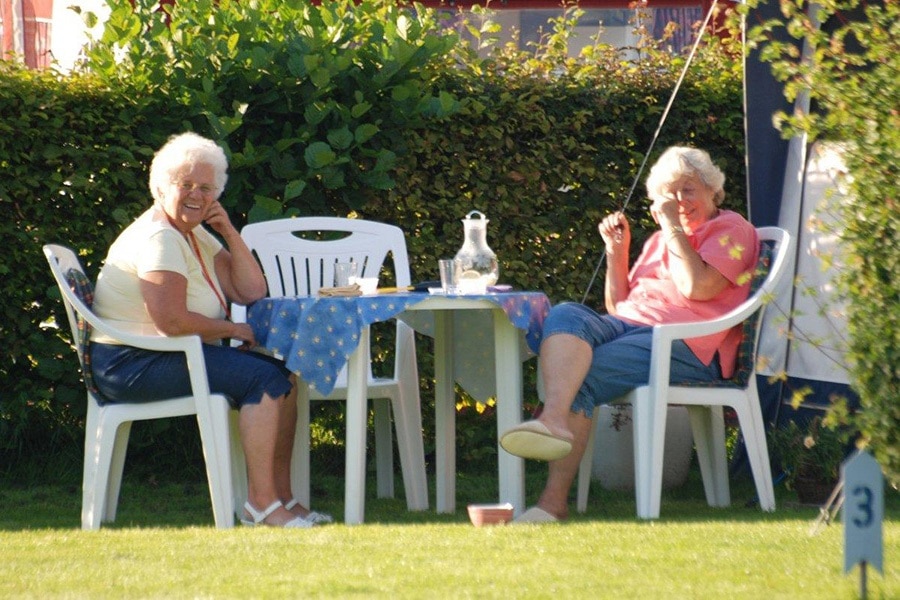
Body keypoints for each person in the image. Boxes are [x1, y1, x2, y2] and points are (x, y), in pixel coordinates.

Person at [499, 146, 759, 522]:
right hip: (633, 328)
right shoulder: (658, 241)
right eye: (670, 193)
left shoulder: (731, 229)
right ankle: (554, 418)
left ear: (712, 191)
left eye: (690, 189)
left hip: (689, 344)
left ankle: (552, 502)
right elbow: (620, 306)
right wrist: (616, 254)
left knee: (580, 376)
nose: (680, 201)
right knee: (566, 313)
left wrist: (671, 226)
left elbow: (698, 288)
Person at [90, 132, 330, 528]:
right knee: (263, 378)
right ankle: (262, 505)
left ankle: (282, 499)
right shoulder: (160, 237)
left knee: (281, 377)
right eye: (185, 185)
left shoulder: (192, 231)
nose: (196, 196)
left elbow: (251, 289)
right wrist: (233, 328)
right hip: (130, 363)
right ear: (161, 186)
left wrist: (229, 232)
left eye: (206, 188)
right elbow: (173, 322)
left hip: (161, 354)